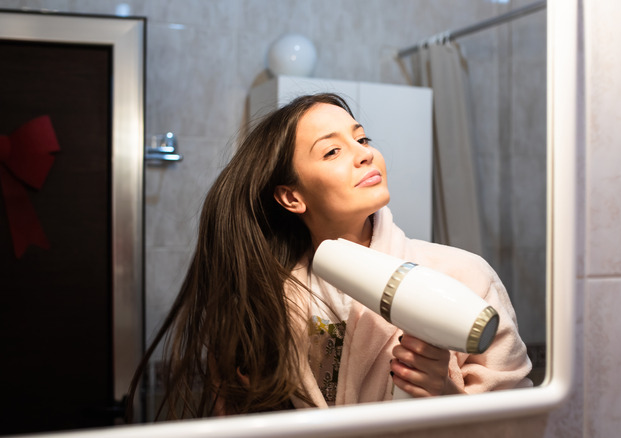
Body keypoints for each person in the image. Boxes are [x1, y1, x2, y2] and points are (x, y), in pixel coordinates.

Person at [126, 93, 532, 421]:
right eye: (332, 151)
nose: (364, 154)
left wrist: (445, 396)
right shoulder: (261, 307)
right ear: (291, 197)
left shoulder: (463, 276)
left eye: (362, 139)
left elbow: (523, 425)